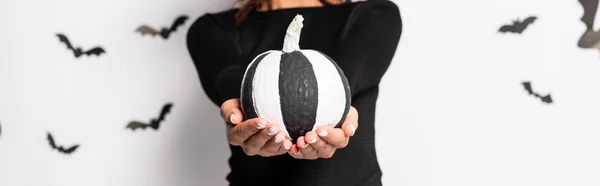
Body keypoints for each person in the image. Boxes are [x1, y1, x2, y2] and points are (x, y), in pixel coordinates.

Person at [186, 0, 402, 185]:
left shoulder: (375, 13)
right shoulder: (210, 28)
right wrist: (243, 110)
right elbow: (231, 80)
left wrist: (337, 105)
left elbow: (344, 77)